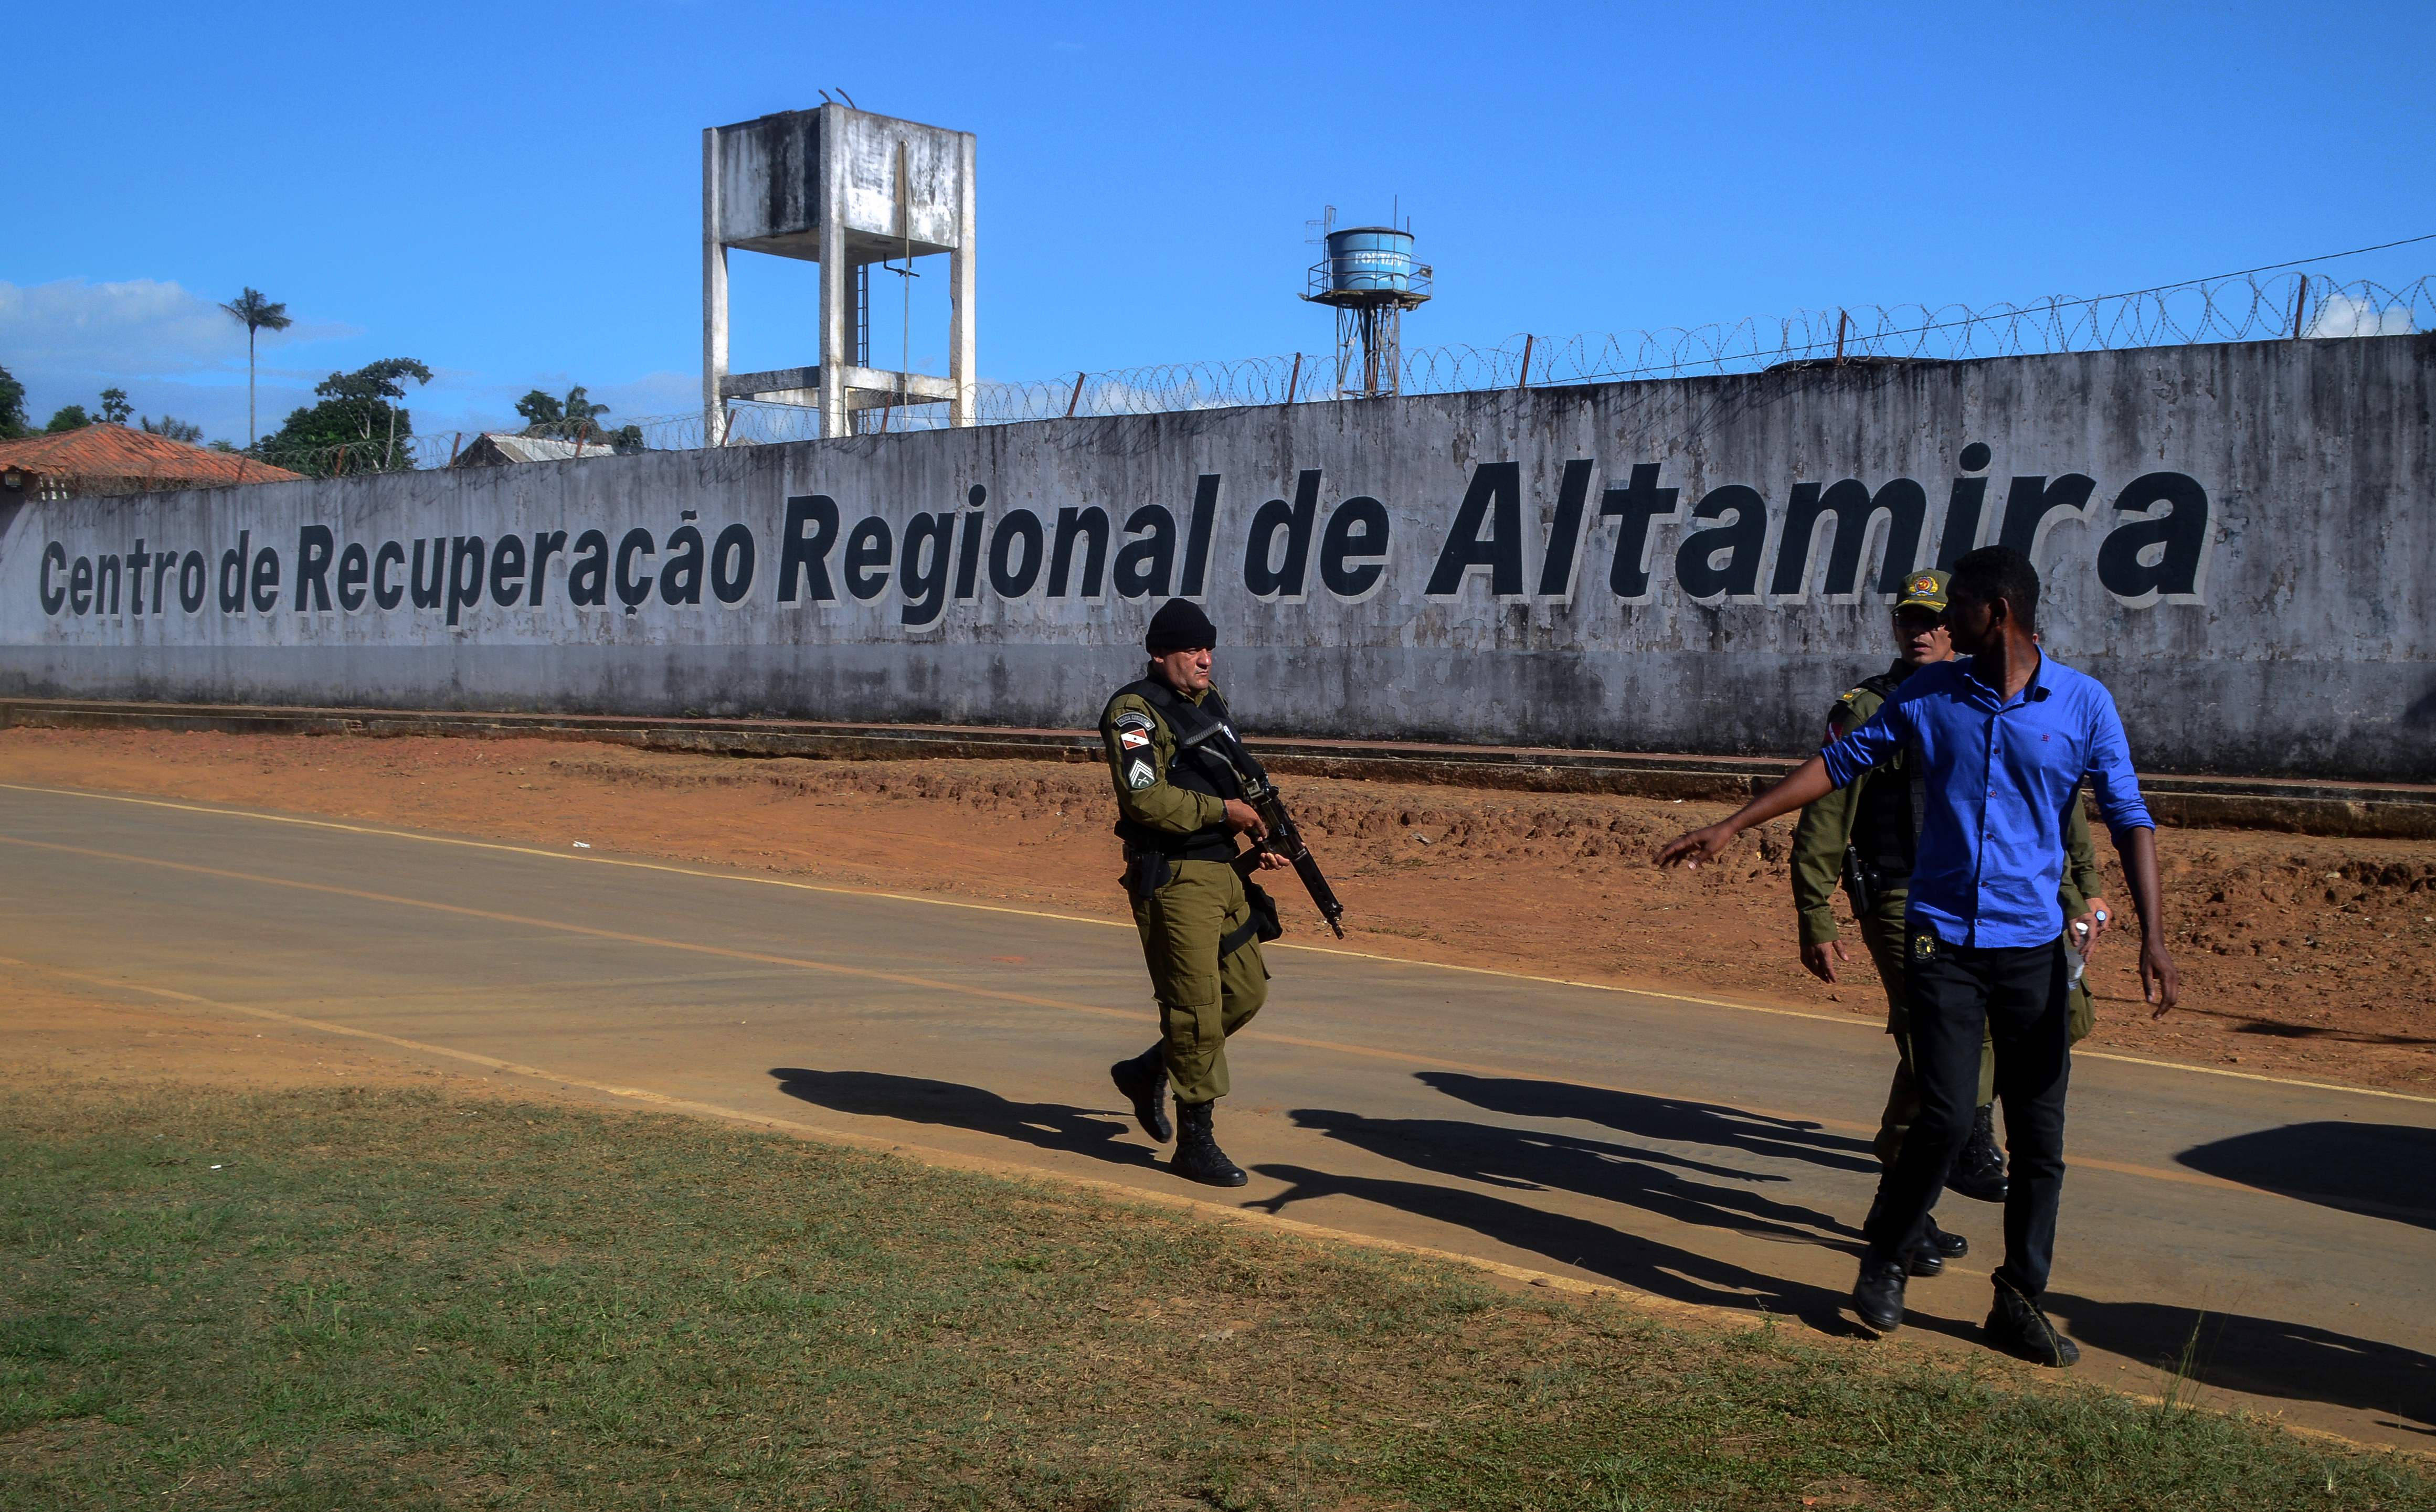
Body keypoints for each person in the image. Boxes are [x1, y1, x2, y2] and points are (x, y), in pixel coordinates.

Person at [1658, 545, 2178, 1367]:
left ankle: (2018, 1300)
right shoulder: (1927, 697)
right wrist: (1732, 823)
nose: (1940, 623)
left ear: (1995, 612)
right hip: (1943, 944)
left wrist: (2152, 934)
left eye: (1955, 606)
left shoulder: (2083, 703)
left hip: (2032, 951)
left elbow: (2127, 816)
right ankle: (1888, 1252)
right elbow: (1837, 764)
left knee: (2039, 1140)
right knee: (1944, 1115)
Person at [1101, 599, 1289, 1188]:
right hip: (1175, 878)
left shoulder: (1208, 702)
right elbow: (1145, 799)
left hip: (1224, 870)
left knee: (1245, 992)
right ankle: (1195, 1142)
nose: (1204, 659)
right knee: (1195, 1010)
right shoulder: (1134, 713)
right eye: (1191, 649)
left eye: (1208, 648)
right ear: (1160, 654)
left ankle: (1148, 1068)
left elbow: (1227, 774)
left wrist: (1260, 831)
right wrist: (1225, 812)